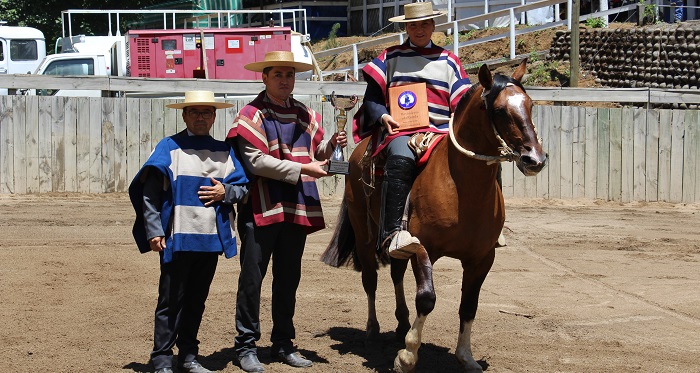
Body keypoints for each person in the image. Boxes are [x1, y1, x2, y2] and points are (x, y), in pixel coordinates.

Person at [226, 50, 347, 373]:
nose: (284, 80)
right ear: (264, 77)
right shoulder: (251, 115)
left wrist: (332, 146)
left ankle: (282, 343)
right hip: (261, 206)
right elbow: (257, 162)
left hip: (295, 207)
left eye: (289, 75)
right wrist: (304, 169)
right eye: (277, 74)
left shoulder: (306, 113)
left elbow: (316, 150)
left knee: (288, 279)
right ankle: (246, 345)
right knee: (252, 279)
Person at [129, 90, 249, 373]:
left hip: (210, 240)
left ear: (214, 116)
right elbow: (149, 194)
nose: (200, 117)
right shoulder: (169, 147)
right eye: (194, 112)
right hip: (177, 238)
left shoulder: (225, 150)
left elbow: (243, 189)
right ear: (184, 115)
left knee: (196, 301)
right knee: (170, 301)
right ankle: (161, 359)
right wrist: (154, 229)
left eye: (206, 112)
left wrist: (225, 191)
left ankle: (188, 356)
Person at [353, 1, 471, 259]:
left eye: (424, 24)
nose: (419, 29)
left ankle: (488, 227)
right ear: (406, 27)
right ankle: (393, 233)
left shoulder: (449, 61)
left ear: (433, 25)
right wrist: (384, 117)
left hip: (441, 132)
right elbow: (372, 99)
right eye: (413, 25)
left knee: (479, 156)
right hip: (401, 131)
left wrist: (455, 124)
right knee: (401, 157)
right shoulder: (390, 57)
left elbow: (461, 102)